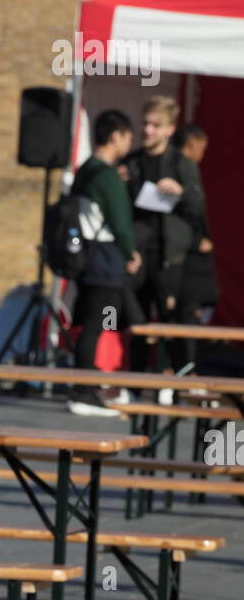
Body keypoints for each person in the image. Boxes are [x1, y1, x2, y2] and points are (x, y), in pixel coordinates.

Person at [125, 98, 209, 375]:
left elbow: (198, 207)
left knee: (171, 321)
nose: (147, 130)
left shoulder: (181, 164)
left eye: (155, 125)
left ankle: (181, 379)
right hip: (138, 252)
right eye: (145, 123)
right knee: (136, 321)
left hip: (169, 257)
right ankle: (135, 383)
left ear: (169, 129)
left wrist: (181, 191)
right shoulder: (132, 162)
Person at [68, 109, 141, 415]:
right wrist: (131, 253)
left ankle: (88, 387)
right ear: (115, 137)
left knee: (89, 323)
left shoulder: (86, 169)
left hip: (85, 256)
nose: (130, 141)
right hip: (105, 258)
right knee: (96, 327)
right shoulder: (108, 176)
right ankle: (85, 393)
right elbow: (121, 223)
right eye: (127, 135)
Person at [174, 123, 220, 361]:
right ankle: (185, 373)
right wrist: (194, 241)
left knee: (189, 318)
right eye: (202, 148)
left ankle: (183, 371)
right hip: (185, 265)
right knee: (185, 319)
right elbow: (173, 217)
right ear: (192, 144)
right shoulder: (182, 168)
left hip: (192, 265)